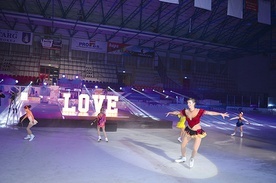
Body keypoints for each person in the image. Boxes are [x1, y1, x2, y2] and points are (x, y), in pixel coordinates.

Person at [166, 98, 229, 168]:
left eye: (190, 103)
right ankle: (183, 157)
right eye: (187, 103)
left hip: (198, 132)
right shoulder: (185, 111)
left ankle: (192, 158)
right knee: (183, 145)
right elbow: (178, 112)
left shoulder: (199, 111)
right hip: (189, 131)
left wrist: (220, 113)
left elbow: (209, 112)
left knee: (195, 149)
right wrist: (171, 112)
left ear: (194, 103)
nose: (188, 104)